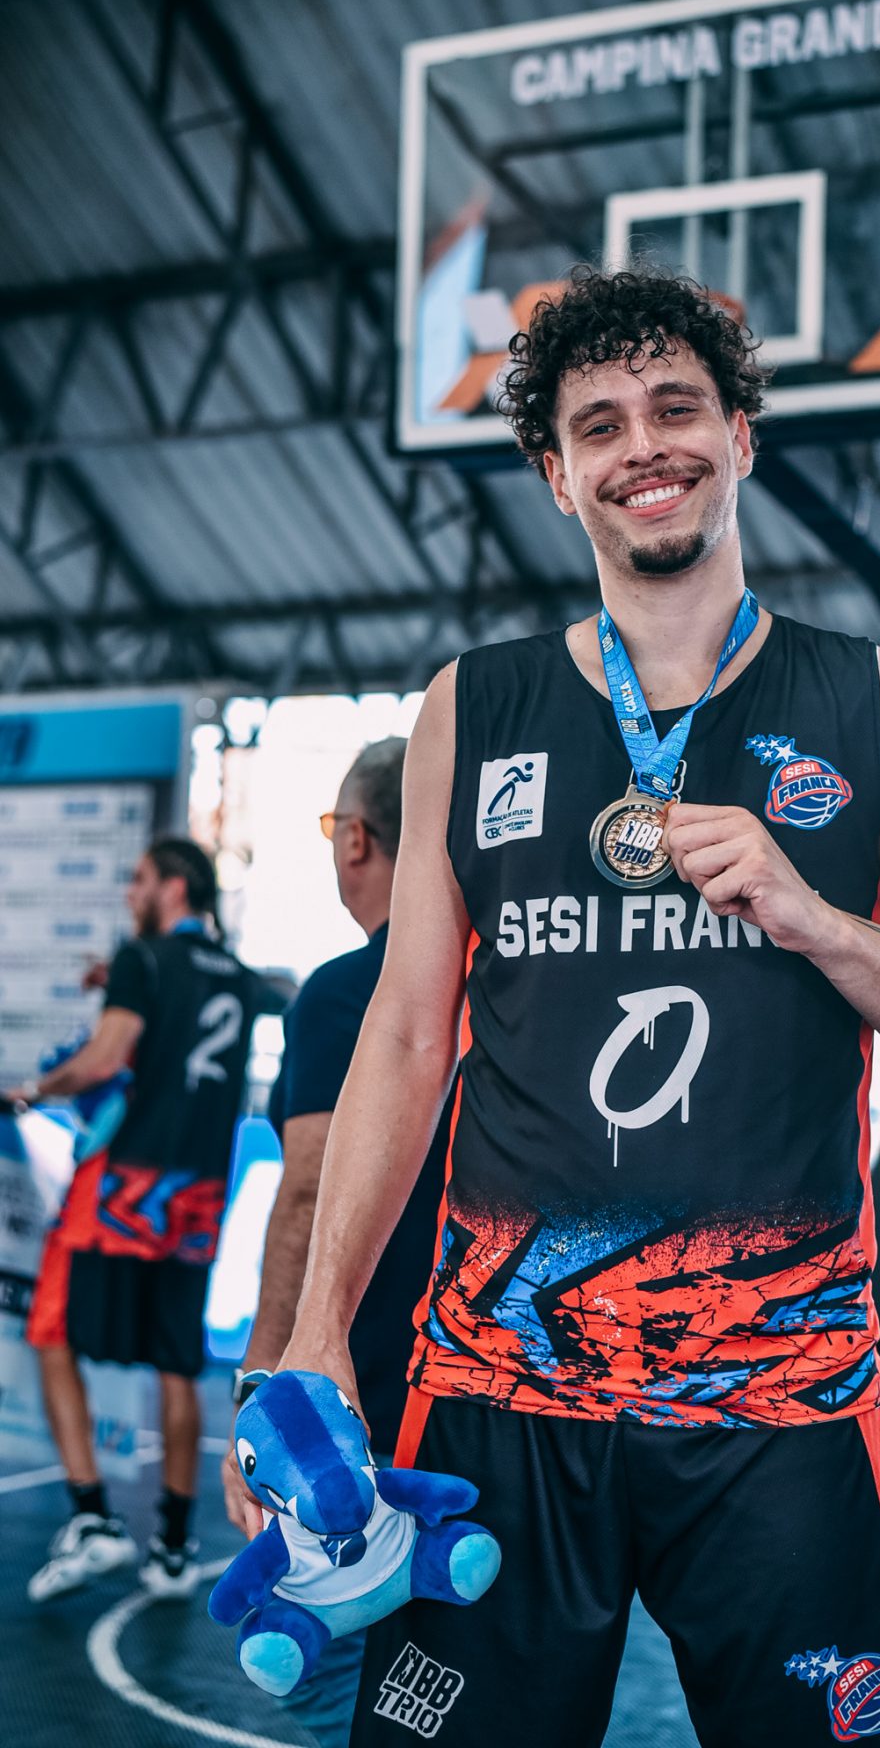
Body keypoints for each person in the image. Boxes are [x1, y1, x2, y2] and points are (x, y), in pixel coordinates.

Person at [275, 268, 880, 1747]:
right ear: (559, 478)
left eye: (678, 407)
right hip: (500, 1387)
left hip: (784, 1395)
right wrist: (317, 1332)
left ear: (741, 436)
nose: (646, 446)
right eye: (601, 425)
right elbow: (409, 1036)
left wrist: (817, 919)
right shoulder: (470, 708)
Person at [221, 737, 448, 1748]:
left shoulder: (349, 989)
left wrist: (261, 1378)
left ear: (356, 838)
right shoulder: (516, 986)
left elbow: (308, 1188)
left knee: (332, 1689)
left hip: (360, 1413)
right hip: (498, 1400)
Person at [16, 837, 260, 1602]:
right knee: (178, 1365)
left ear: (176, 887)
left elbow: (101, 1060)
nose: (129, 893)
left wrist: (32, 1089)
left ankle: (92, 1518)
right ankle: (175, 1547)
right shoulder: (238, 975)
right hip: (197, 1198)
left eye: (140, 879)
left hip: (124, 1195)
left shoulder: (143, 959)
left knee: (51, 1332)